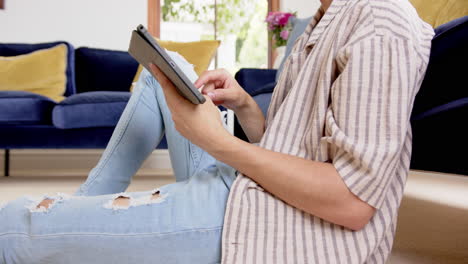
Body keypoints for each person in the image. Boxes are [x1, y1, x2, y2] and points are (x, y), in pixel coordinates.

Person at [0, 0, 434, 263]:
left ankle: (74, 224)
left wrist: (217, 142)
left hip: (265, 226)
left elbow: (353, 201)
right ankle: (84, 212)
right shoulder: (324, 20)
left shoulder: (380, 25)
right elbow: (296, 153)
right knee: (162, 73)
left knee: (15, 225)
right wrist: (245, 106)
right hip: (253, 192)